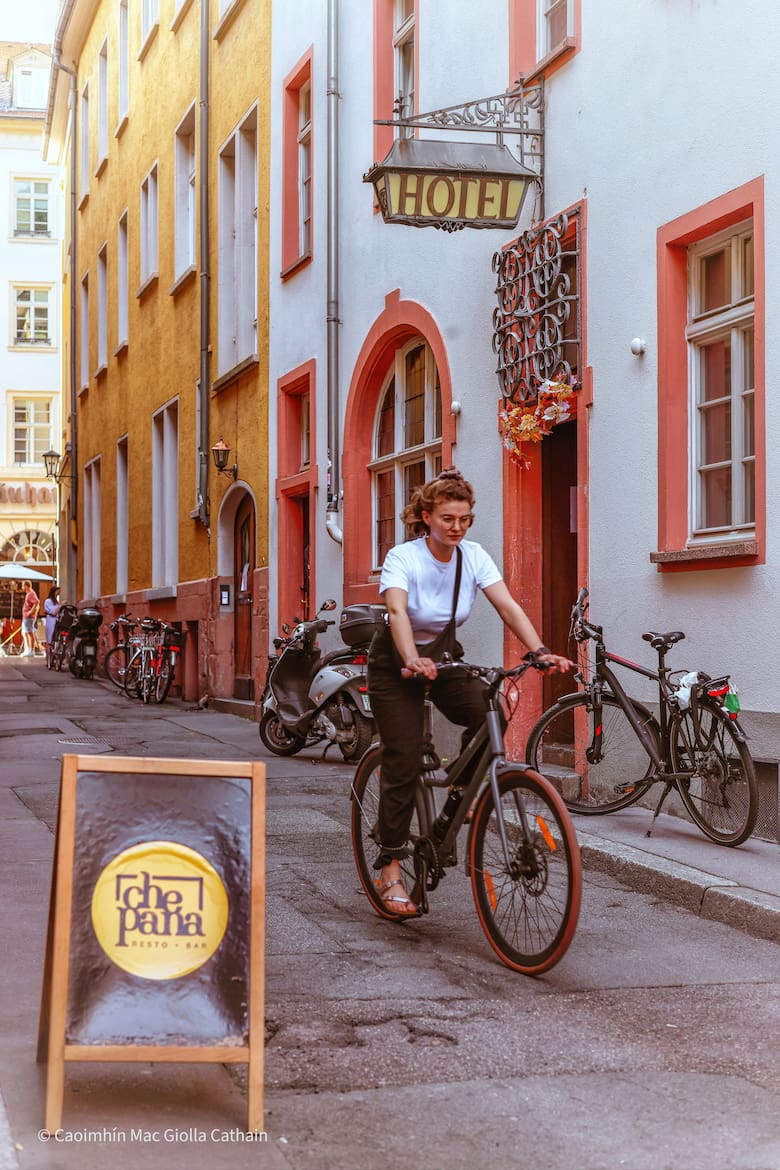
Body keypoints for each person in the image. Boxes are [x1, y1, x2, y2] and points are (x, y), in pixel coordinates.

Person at [367, 468, 572, 918]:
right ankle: (390, 866)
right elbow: (398, 611)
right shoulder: (404, 557)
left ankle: (456, 798)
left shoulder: (473, 556)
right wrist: (409, 658)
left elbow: (507, 605)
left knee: (489, 710)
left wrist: (538, 650)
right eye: (446, 518)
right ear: (426, 517)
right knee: (401, 758)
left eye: (463, 519)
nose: (456, 527)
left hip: (442, 658)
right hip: (394, 664)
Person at [20, 581, 40, 657]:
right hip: (26, 617)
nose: (22, 587)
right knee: (26, 633)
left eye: (23, 586)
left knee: (29, 633)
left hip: (29, 617)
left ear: (26, 586)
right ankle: (28, 649)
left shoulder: (31, 593)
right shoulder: (29, 594)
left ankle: (30, 650)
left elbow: (37, 602)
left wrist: (30, 612)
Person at [43, 585, 61, 665]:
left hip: (57, 621)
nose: (58, 594)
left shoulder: (56, 602)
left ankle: (54, 658)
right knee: (49, 640)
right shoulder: (48, 601)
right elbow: (54, 612)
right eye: (57, 592)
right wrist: (61, 605)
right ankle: (48, 659)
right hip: (51, 620)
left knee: (55, 639)